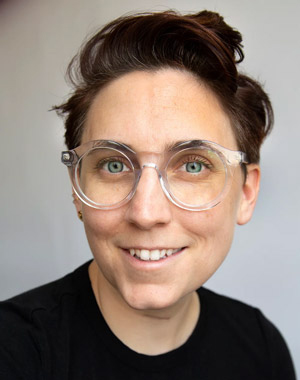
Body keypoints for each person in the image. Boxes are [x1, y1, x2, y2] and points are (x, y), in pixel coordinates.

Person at [0, 9, 296, 379]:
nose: (145, 212)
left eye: (192, 165)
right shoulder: (14, 352)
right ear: (76, 188)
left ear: (247, 192)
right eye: (113, 165)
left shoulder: (260, 347)